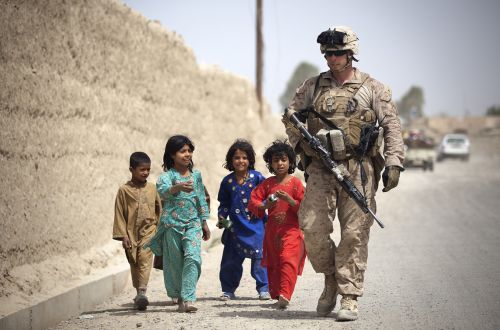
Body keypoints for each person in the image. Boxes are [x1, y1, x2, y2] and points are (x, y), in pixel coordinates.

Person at [282, 26, 405, 321]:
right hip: (322, 168)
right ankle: (330, 279)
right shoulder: (312, 86)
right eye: (327, 53)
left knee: (354, 233)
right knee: (311, 228)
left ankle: (349, 295)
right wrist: (302, 148)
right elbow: (290, 117)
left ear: (351, 54)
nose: (331, 58)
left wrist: (394, 162)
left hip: (358, 169)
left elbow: (392, 126)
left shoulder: (373, 88)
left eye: (337, 53)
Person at [145, 135, 211, 313]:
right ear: (172, 155)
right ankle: (178, 295)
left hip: (193, 224)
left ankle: (189, 298)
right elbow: (163, 192)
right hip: (171, 225)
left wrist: (204, 222)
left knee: (193, 258)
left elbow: (201, 200)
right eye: (183, 151)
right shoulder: (166, 177)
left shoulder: (196, 175)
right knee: (175, 263)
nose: (187, 154)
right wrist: (178, 187)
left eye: (189, 151)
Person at [248, 140, 306, 309]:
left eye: (283, 159)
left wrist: (289, 200)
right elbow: (254, 201)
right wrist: (265, 205)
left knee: (288, 259)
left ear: (290, 162)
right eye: (276, 160)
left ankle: (285, 295)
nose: (280, 163)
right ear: (270, 163)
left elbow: (304, 208)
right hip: (272, 232)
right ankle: (278, 293)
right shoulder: (268, 184)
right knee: (274, 263)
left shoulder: (296, 184)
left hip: (292, 231)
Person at [217, 139, 270, 301]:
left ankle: (264, 288)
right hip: (234, 226)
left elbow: (267, 196)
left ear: (250, 160)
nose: (241, 161)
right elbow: (224, 203)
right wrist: (221, 217)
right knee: (231, 260)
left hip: (256, 225)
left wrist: (261, 207)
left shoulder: (257, 178)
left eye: (245, 158)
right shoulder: (227, 182)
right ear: (231, 161)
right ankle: (228, 290)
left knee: (259, 258)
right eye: (237, 158)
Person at [113, 151, 161, 311]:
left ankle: (142, 291)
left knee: (145, 258)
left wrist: (160, 231)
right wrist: (123, 235)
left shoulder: (152, 188)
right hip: (130, 232)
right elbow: (119, 213)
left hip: (149, 231)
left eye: (148, 169)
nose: (146, 173)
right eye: (142, 169)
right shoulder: (124, 190)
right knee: (134, 261)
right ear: (131, 169)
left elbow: (159, 210)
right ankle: (138, 294)